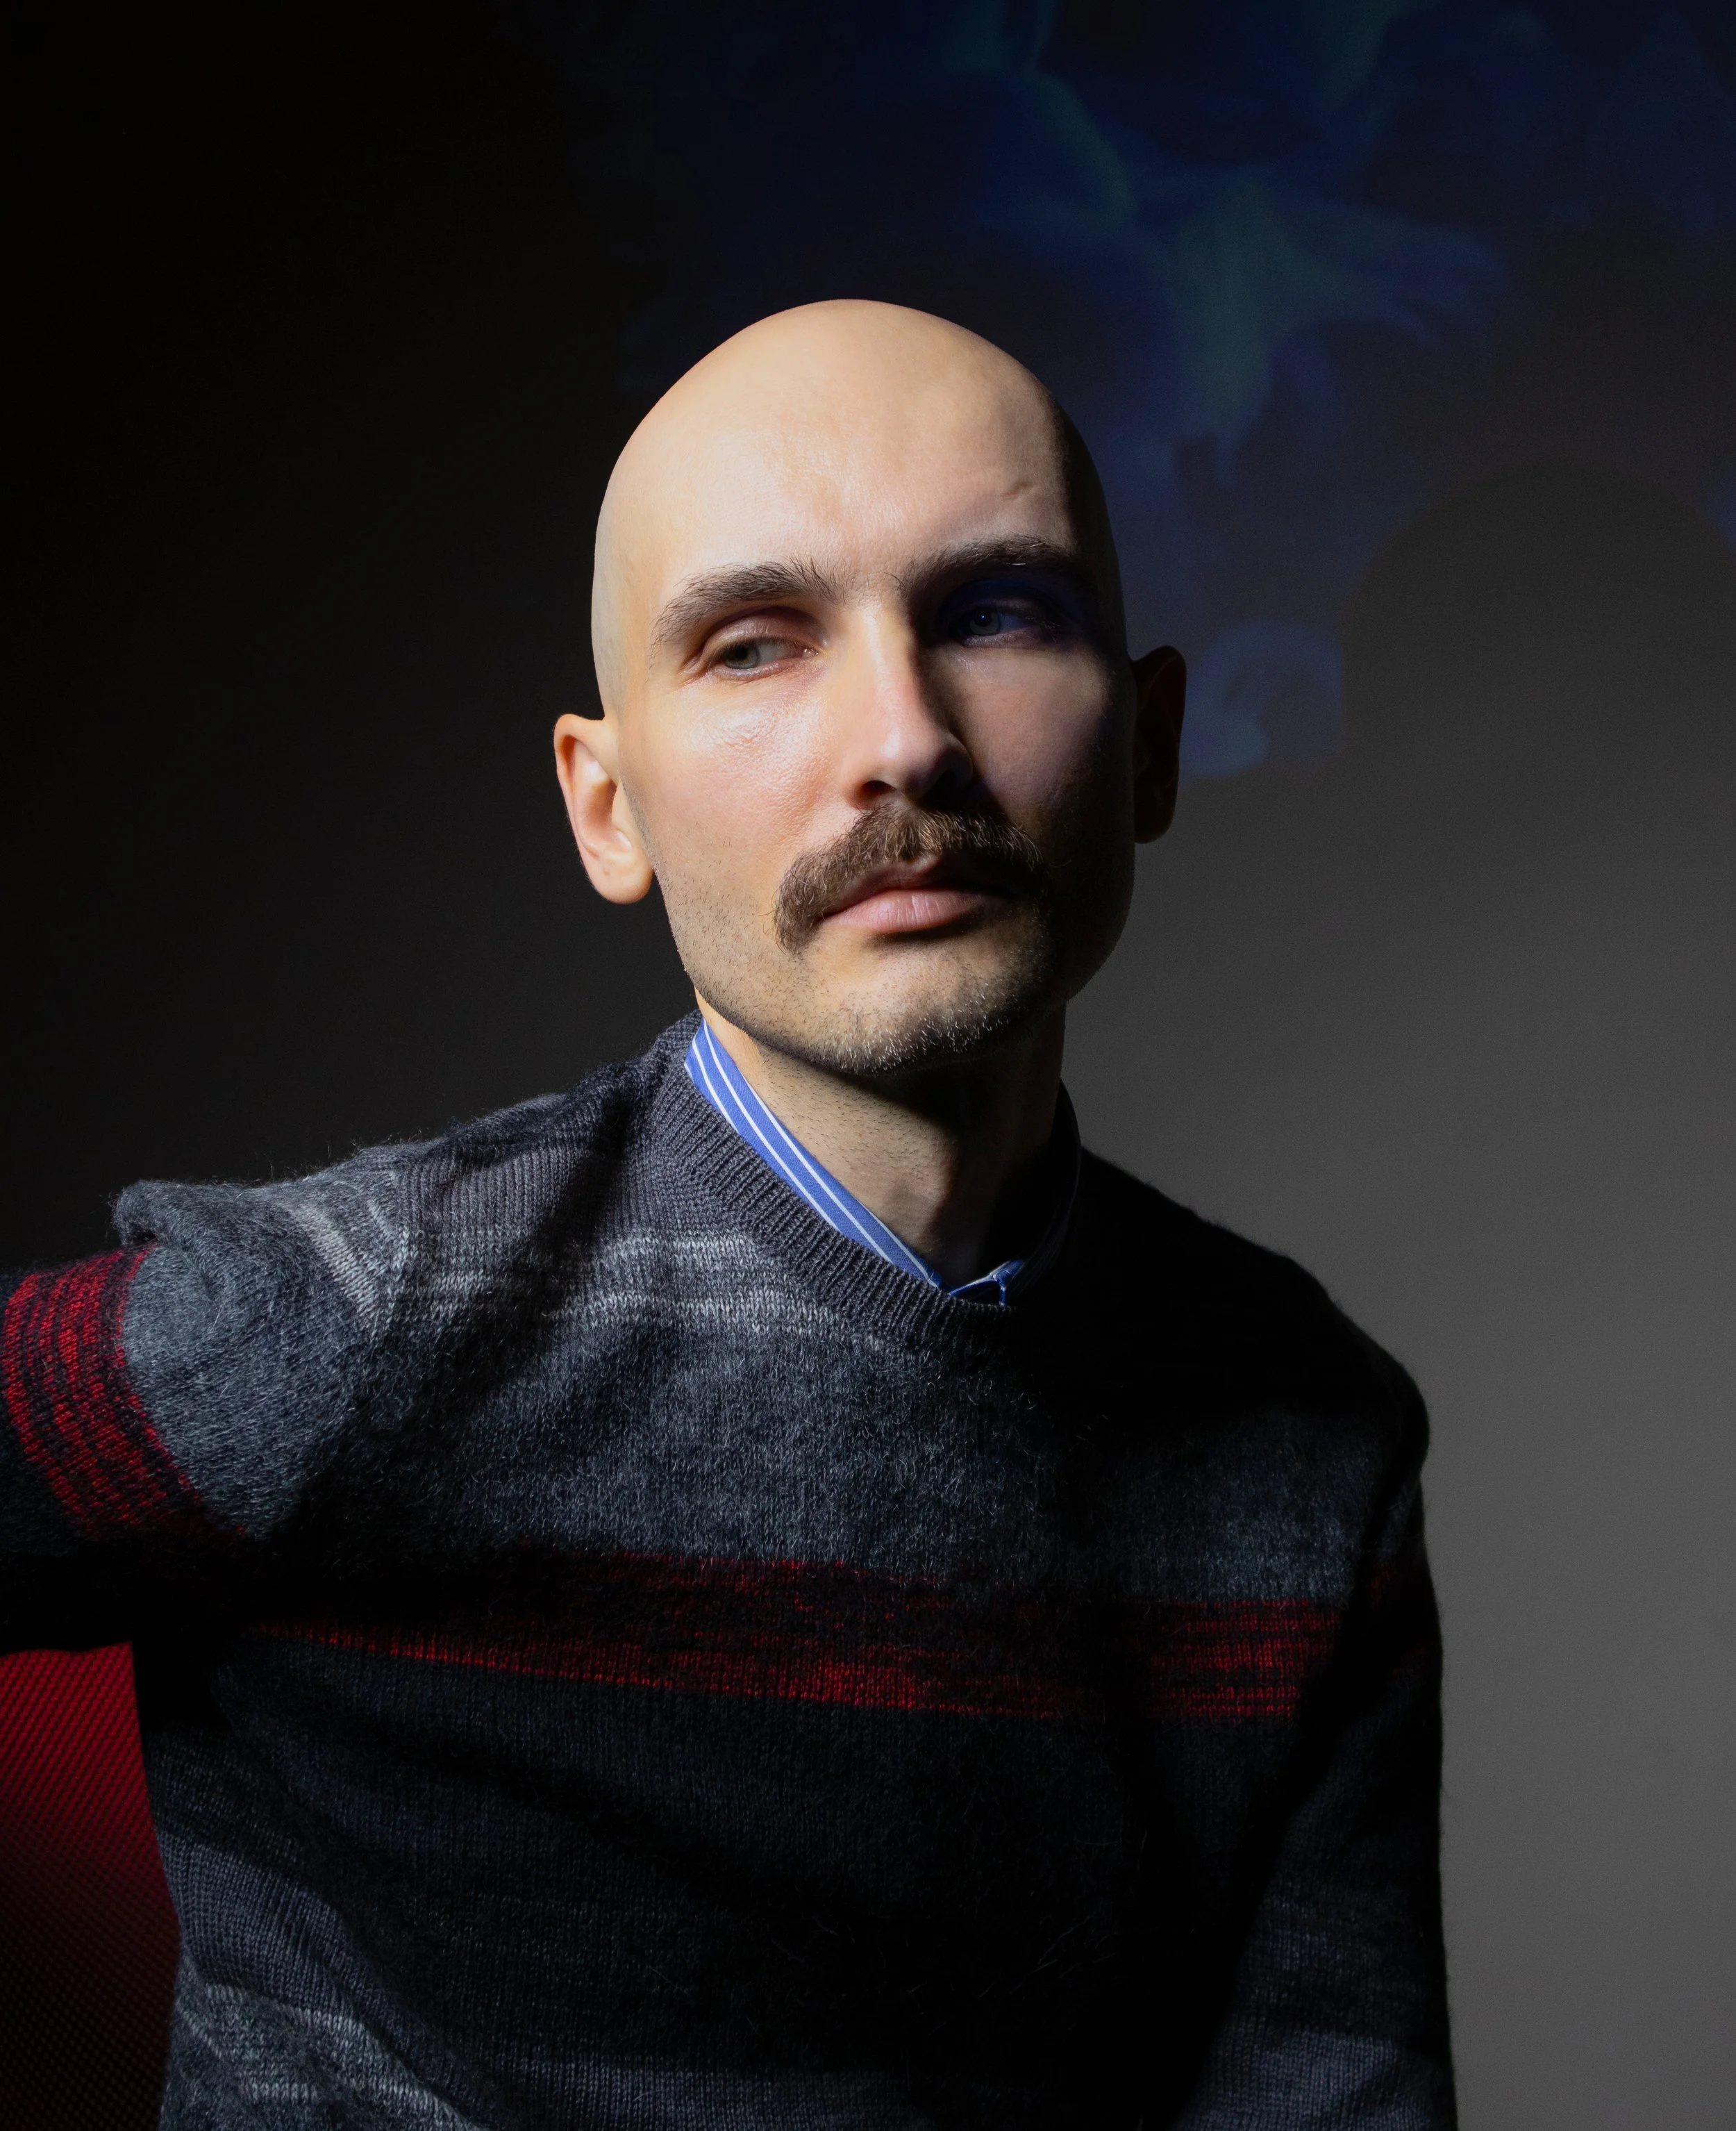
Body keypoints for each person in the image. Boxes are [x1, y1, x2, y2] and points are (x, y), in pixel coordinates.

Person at [0, 301, 1453, 2128]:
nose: (904, 742)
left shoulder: (1313, 1440)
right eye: (756, 643)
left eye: (997, 613)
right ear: (607, 808)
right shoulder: (350, 1319)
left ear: (1149, 743)